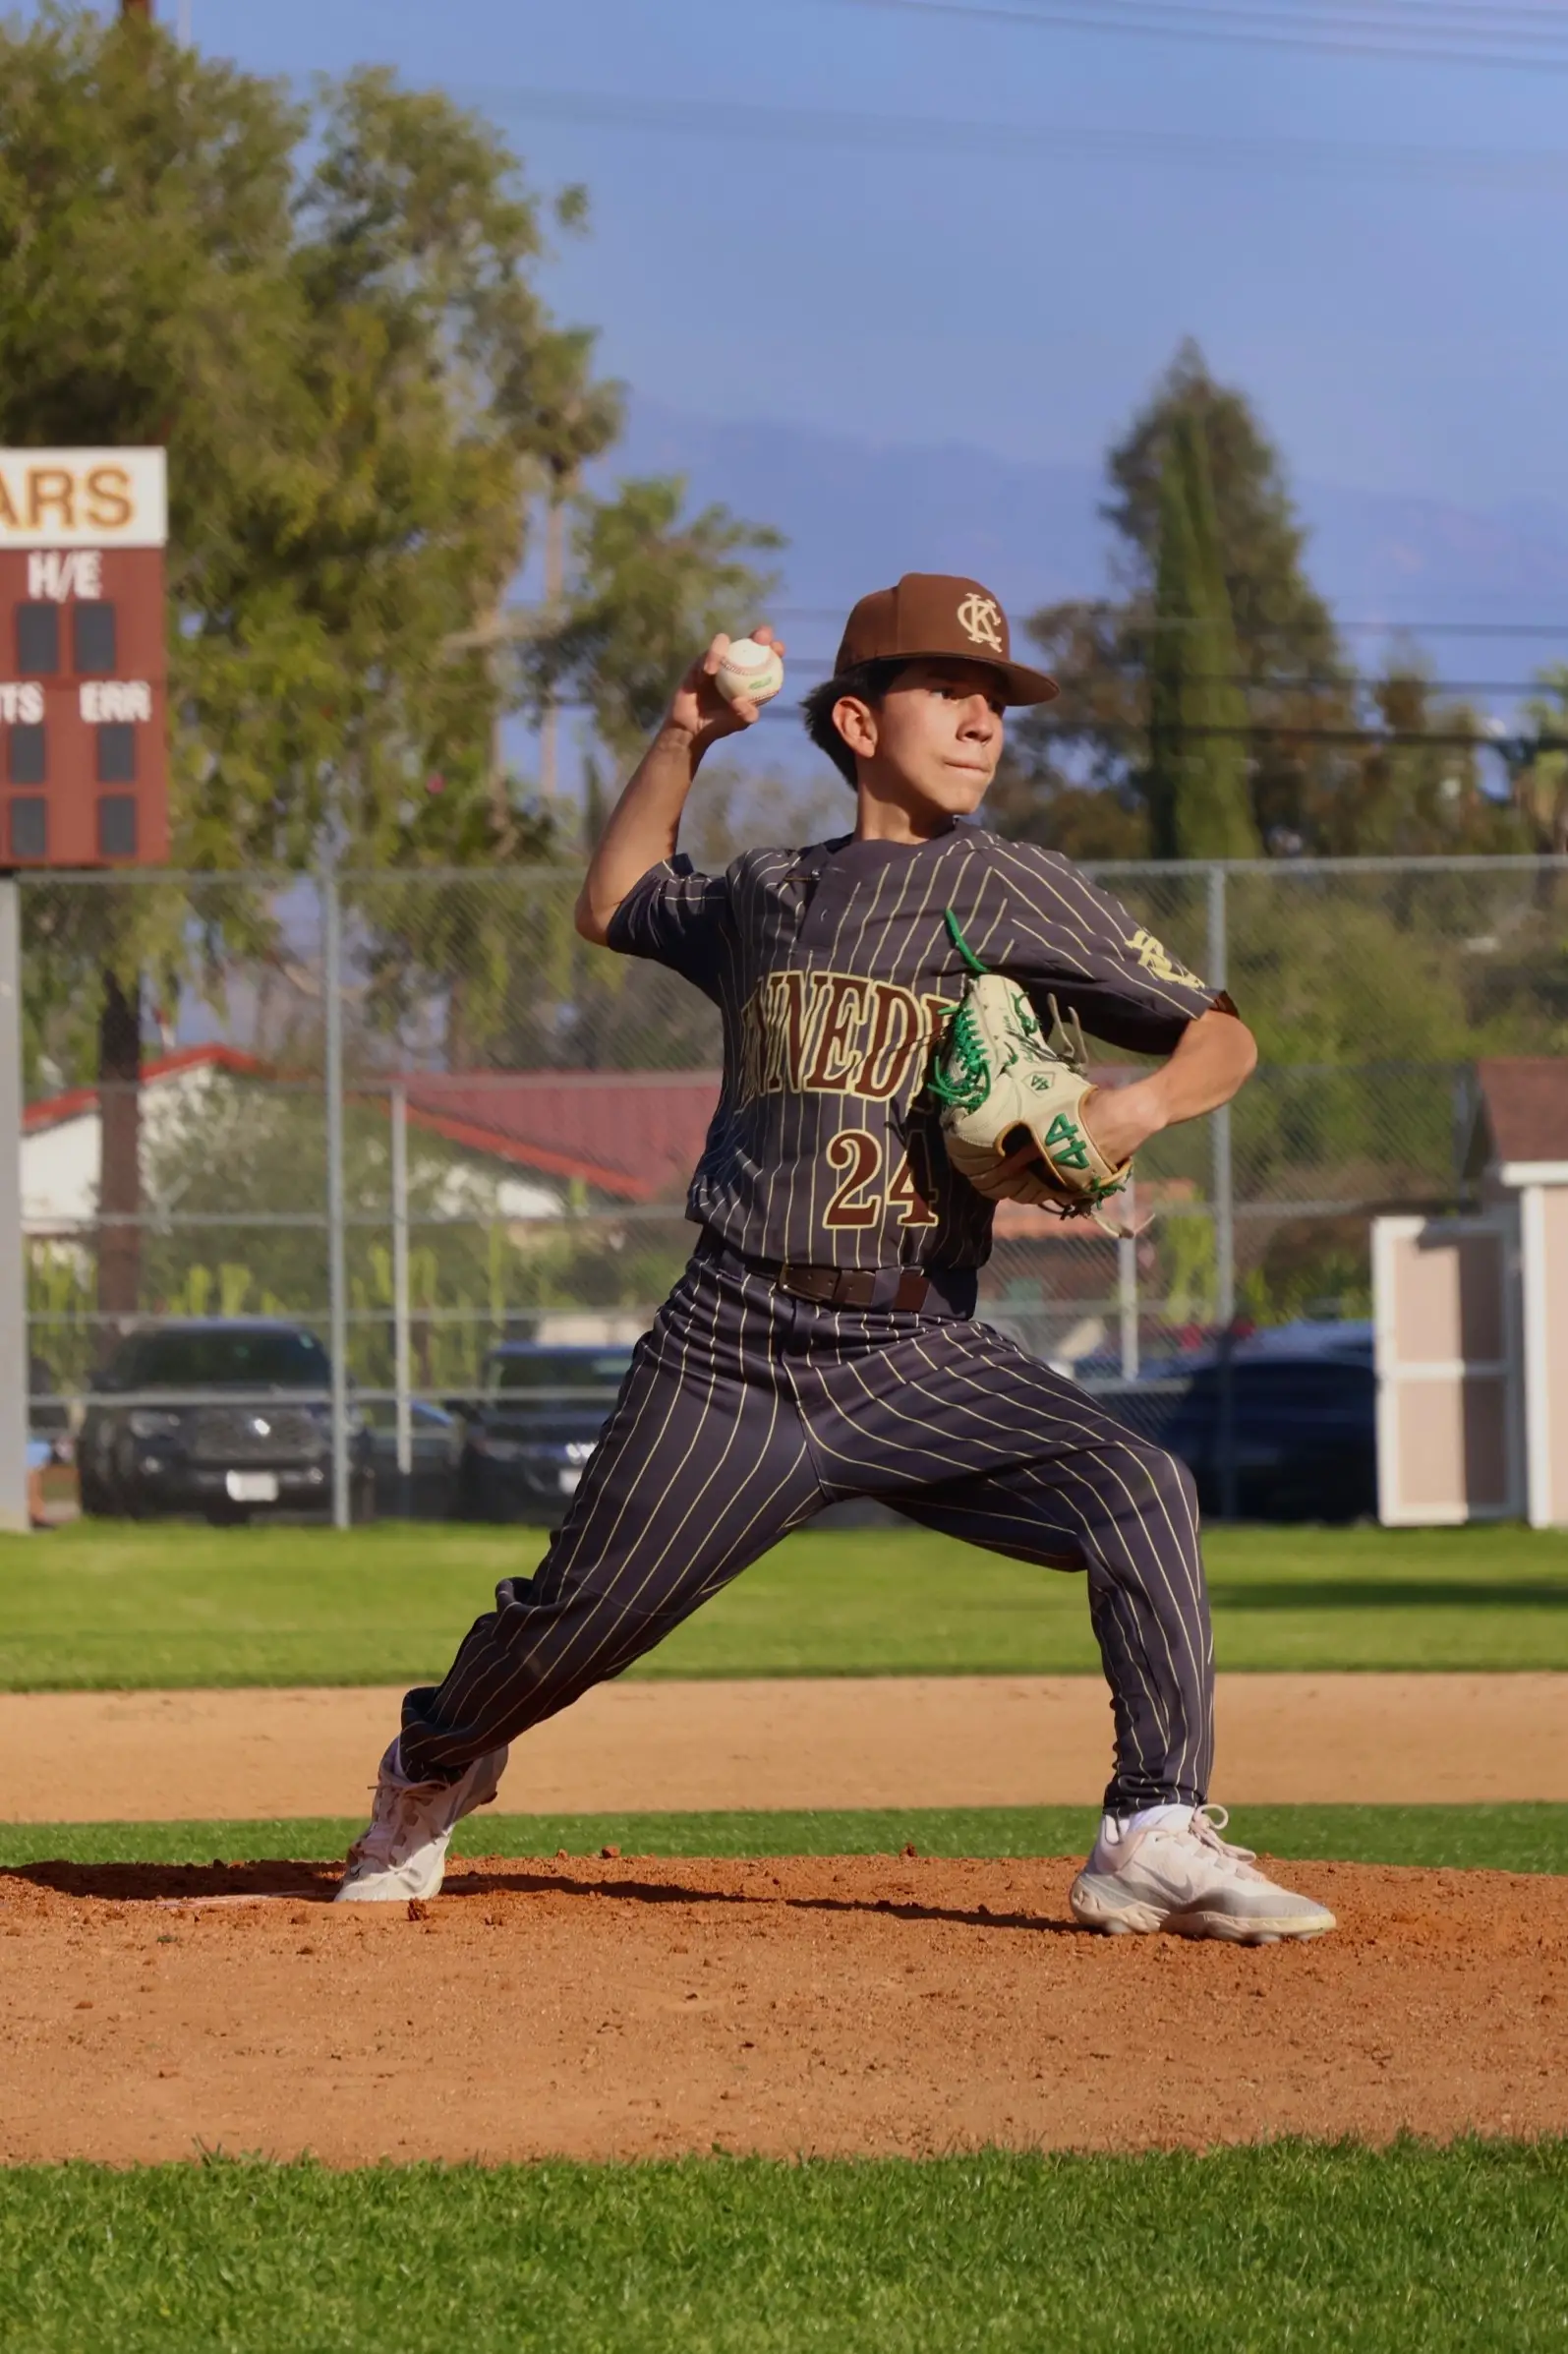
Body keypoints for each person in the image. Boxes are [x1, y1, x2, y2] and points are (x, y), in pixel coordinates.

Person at [336, 571, 1333, 1944]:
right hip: (732, 1343)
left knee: (1140, 1487)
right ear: (858, 722)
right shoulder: (771, 892)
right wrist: (684, 731)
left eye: (996, 701)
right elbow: (612, 900)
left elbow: (1221, 1031)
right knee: (571, 1620)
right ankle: (433, 1759)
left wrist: (1135, 1106)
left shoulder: (1013, 886)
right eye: (949, 690)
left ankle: (1151, 1828)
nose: (982, 720)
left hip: (914, 1346)